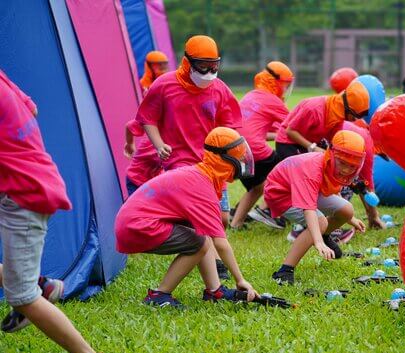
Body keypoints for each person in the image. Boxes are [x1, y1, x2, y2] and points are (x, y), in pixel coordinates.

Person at [0, 70, 112, 353]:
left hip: (25, 195)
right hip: (25, 184)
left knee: (21, 296)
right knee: (21, 283)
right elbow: (31, 108)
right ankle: (40, 283)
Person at [115, 127, 259, 307]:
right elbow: (220, 243)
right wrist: (240, 280)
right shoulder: (202, 186)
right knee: (198, 242)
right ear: (225, 160)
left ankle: (215, 291)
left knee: (200, 236)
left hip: (132, 222)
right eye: (238, 158)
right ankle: (159, 295)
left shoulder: (202, 175)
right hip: (136, 226)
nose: (241, 163)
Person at [136, 35, 242, 279]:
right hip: (180, 163)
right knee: (200, 217)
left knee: (222, 217)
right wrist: (159, 144)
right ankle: (216, 266)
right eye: (203, 66)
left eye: (214, 66)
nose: (209, 72)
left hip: (213, 162)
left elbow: (230, 127)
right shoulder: (164, 85)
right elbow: (148, 118)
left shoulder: (219, 89)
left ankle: (210, 254)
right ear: (187, 62)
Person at [266, 130, 367, 285]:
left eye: (351, 166)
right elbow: (309, 210)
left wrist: (350, 218)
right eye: (342, 163)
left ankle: (325, 236)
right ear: (331, 154)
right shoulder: (312, 170)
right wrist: (317, 242)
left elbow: (331, 191)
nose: (346, 170)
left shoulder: (329, 165)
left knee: (347, 210)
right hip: (281, 194)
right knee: (320, 223)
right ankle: (285, 270)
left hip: (302, 188)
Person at [229, 61, 294, 230]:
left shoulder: (252, 95)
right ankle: (267, 211)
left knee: (256, 188)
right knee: (287, 172)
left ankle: (236, 223)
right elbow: (295, 126)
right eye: (286, 85)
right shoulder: (272, 101)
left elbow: (260, 131)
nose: (286, 90)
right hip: (255, 151)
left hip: (234, 149)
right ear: (277, 83)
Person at [123, 51, 171, 196]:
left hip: (151, 180)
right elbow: (133, 124)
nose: (163, 68)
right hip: (137, 180)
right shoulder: (146, 86)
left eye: (165, 65)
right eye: (159, 65)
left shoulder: (165, 82)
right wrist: (129, 144)